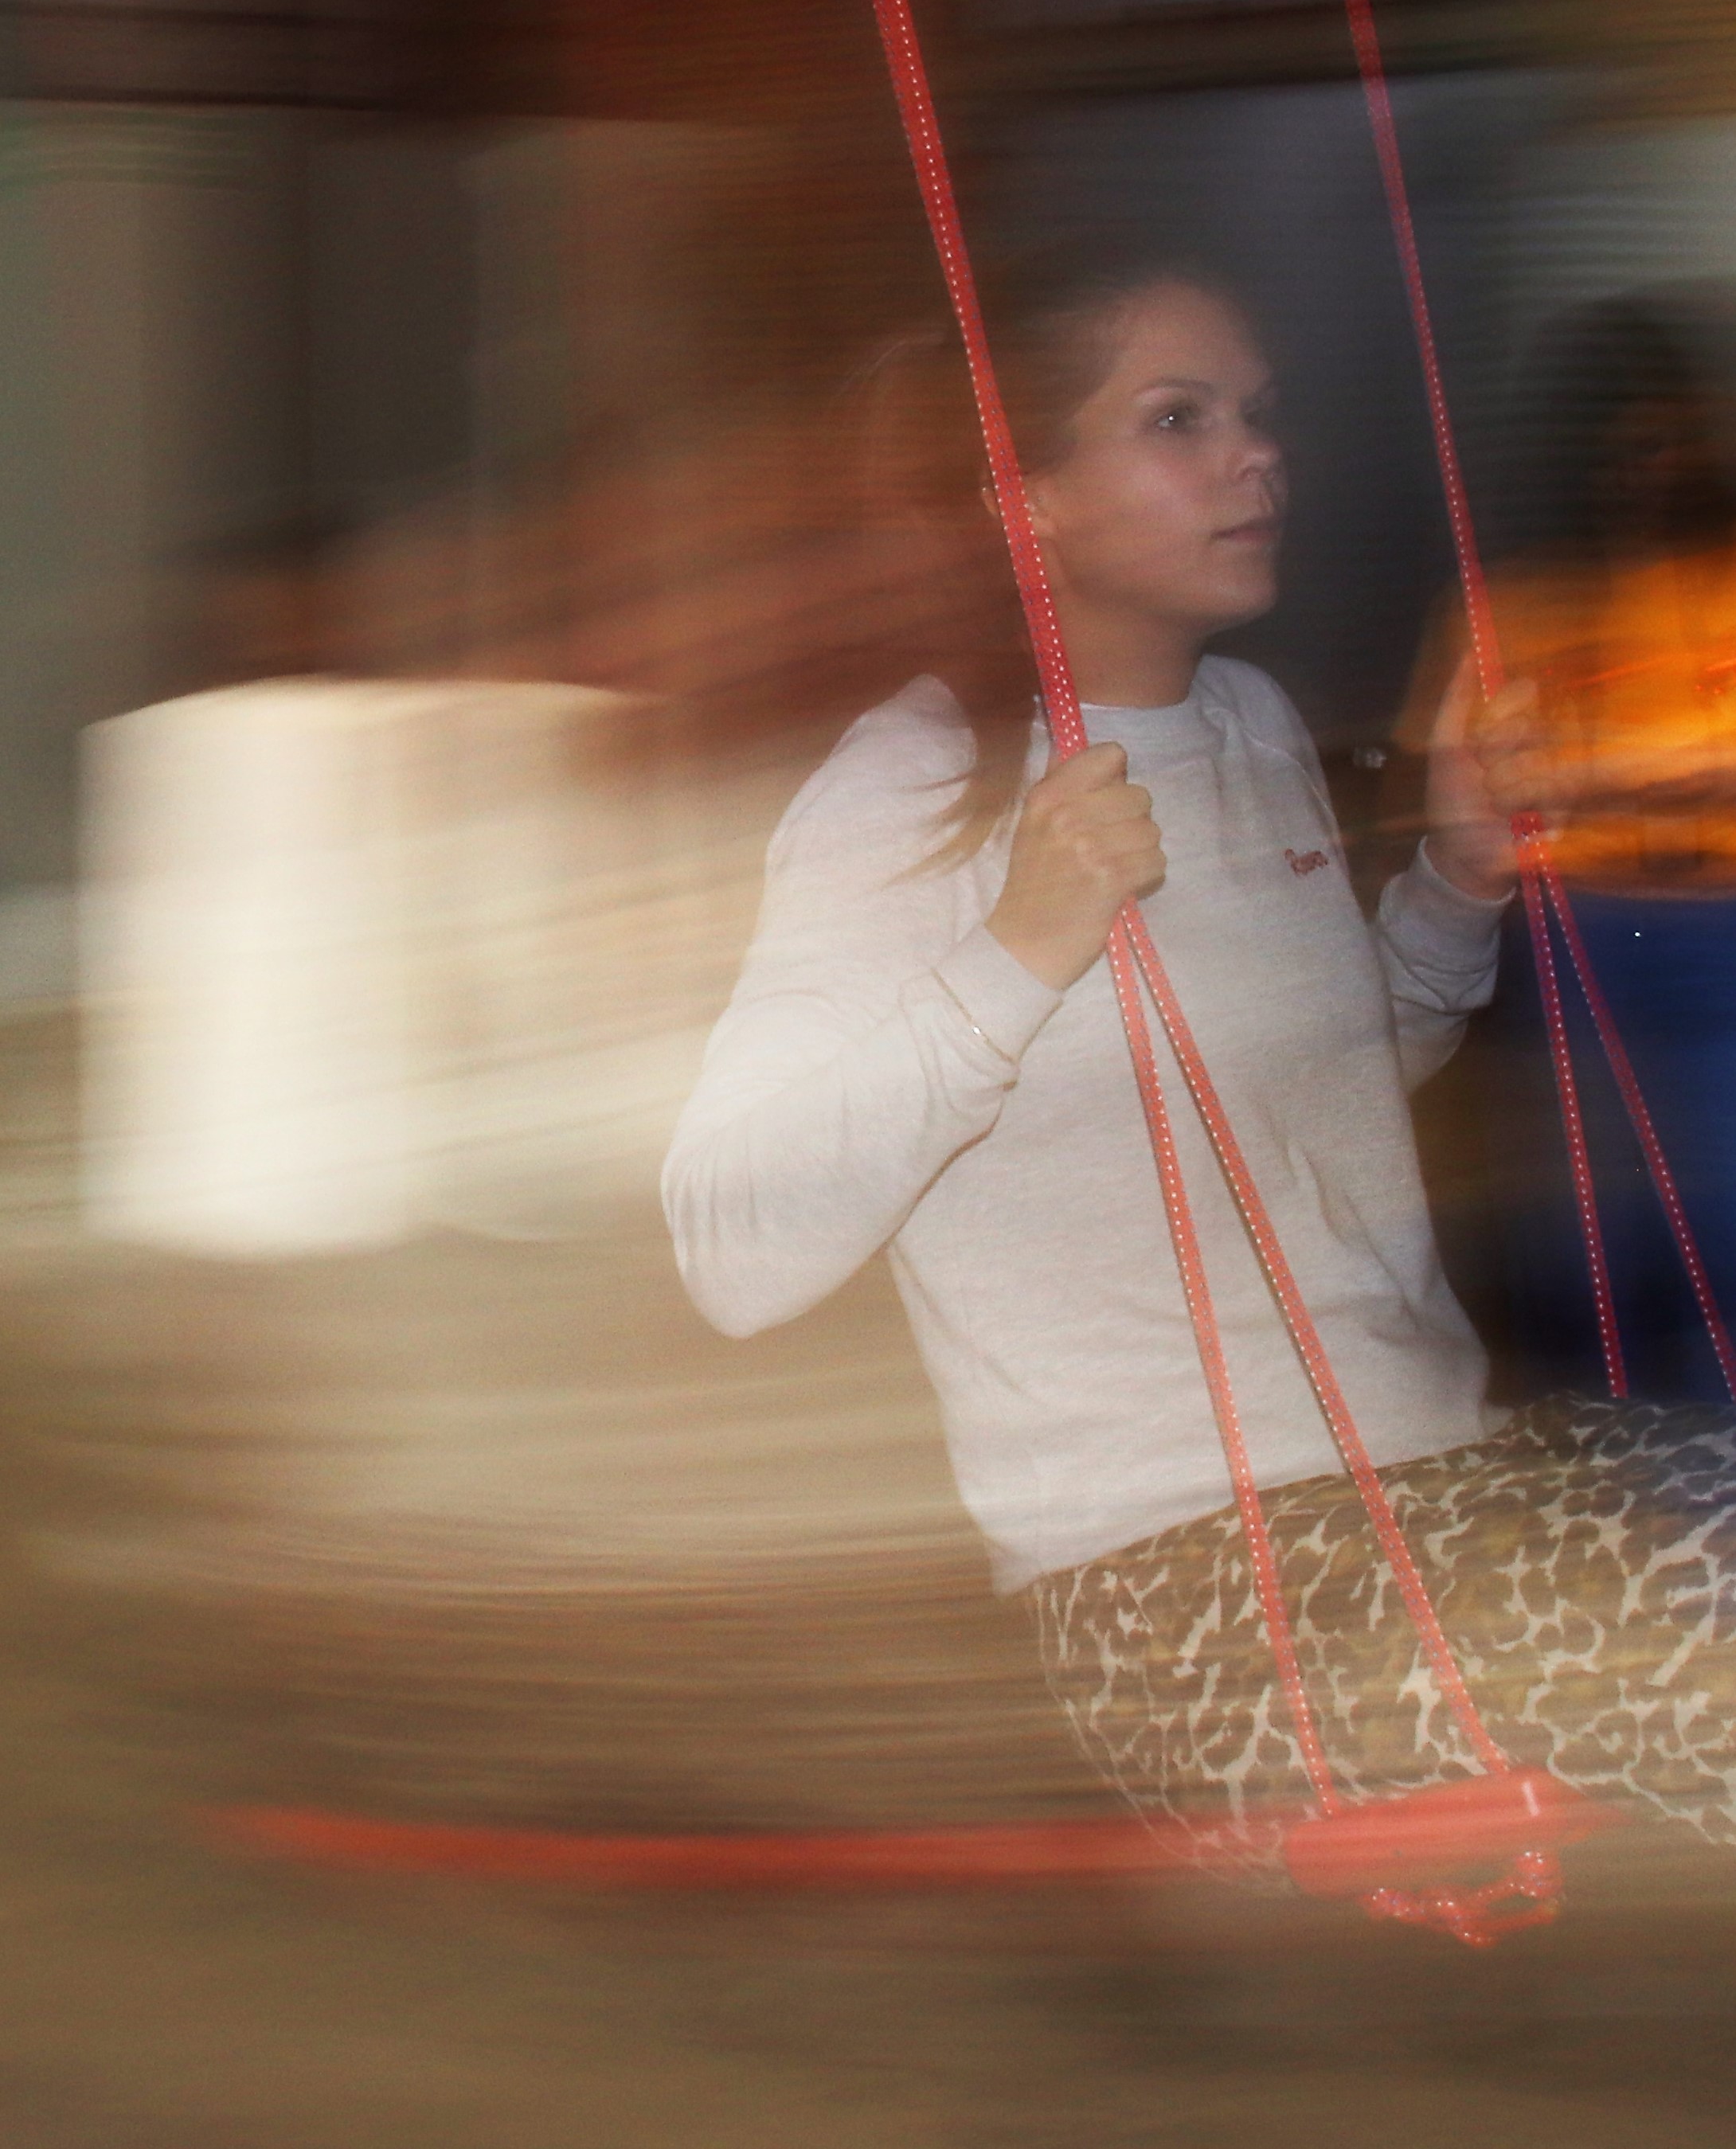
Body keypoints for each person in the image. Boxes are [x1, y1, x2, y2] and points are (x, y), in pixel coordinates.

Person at [663, 240, 1736, 1860]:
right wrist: (1019, 947)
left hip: (1448, 1481)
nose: (1259, 456)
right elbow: (728, 1253)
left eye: (1256, 410)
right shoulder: (911, 789)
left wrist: (1455, 877)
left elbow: (1332, 1096)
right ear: (1030, 497)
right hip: (1194, 1589)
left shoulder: (1247, 722)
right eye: (1179, 419)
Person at [1404, 290, 1736, 1403]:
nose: (1645, 470)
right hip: (1577, 944)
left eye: (1667, 440)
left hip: (1720, 943)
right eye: (1619, 446)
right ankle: (1610, 1449)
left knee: (1721, 1229)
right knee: (1587, 1248)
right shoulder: (1512, 603)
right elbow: (1446, 779)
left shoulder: (1722, 581)